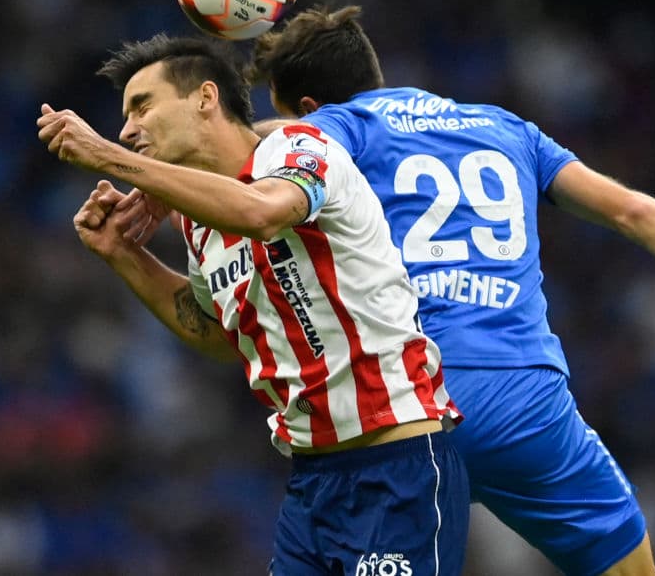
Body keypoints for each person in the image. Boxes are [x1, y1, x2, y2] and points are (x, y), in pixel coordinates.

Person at [242, 5, 655, 576]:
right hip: (528, 402)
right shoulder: (505, 127)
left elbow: (260, 146)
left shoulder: (337, 131)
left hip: (412, 405)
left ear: (309, 108)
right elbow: (633, 211)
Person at [35, 33, 470, 576]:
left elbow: (263, 211)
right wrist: (124, 256)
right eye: (123, 119)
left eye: (142, 106)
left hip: (397, 464)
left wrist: (107, 157)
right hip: (312, 482)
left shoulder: (298, 149)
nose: (126, 129)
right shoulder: (198, 220)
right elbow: (219, 335)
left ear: (205, 98)